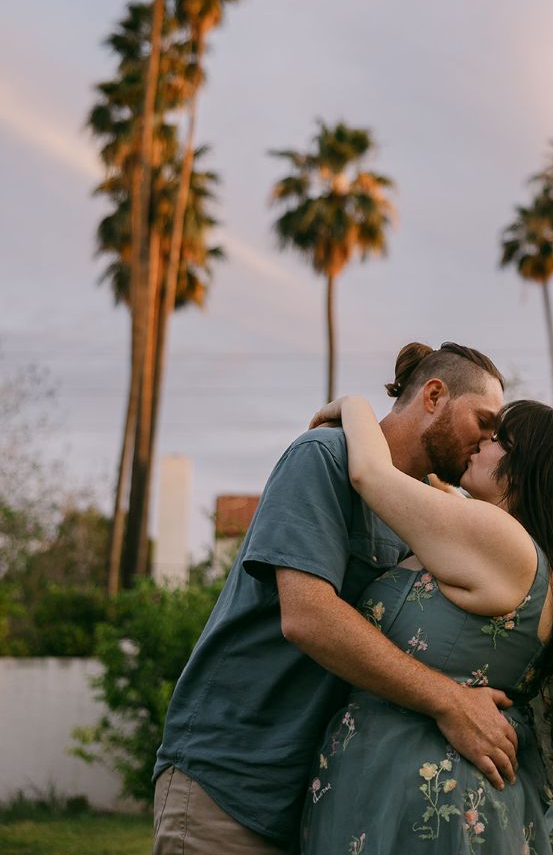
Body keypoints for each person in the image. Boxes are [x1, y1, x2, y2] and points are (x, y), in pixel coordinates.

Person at [153, 342, 519, 855]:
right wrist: (451, 702)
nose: (487, 442)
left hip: (318, 800)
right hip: (232, 780)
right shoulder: (322, 457)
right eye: (483, 420)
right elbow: (306, 616)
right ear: (434, 395)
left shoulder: (419, 511)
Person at [300, 395, 553, 854]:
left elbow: (370, 474)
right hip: (417, 790)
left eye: (500, 440)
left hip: (427, 806)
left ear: (526, 467)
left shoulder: (502, 540)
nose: (481, 443)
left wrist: (354, 405)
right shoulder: (514, 550)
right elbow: (437, 491)